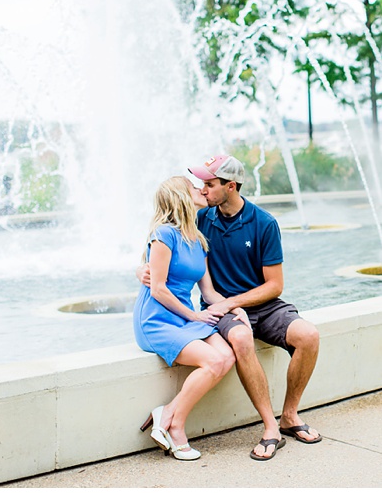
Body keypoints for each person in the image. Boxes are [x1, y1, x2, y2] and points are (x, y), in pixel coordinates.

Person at [138, 155, 322, 461]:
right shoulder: (198, 219)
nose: (203, 189)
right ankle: (269, 428)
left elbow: (275, 286)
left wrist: (233, 303)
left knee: (309, 335)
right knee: (239, 339)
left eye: (209, 184)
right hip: (219, 309)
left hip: (260, 305)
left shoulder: (264, 223)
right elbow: (156, 249)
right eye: (201, 185)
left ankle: (289, 416)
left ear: (231, 186)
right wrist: (140, 272)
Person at [135, 176, 243, 461]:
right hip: (157, 320)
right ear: (182, 197)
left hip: (184, 318)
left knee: (227, 356)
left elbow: (208, 292)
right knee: (215, 360)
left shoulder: (198, 241)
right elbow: (158, 289)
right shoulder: (164, 234)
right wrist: (195, 315)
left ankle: (166, 412)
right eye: (194, 188)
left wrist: (235, 306)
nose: (201, 189)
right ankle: (177, 426)